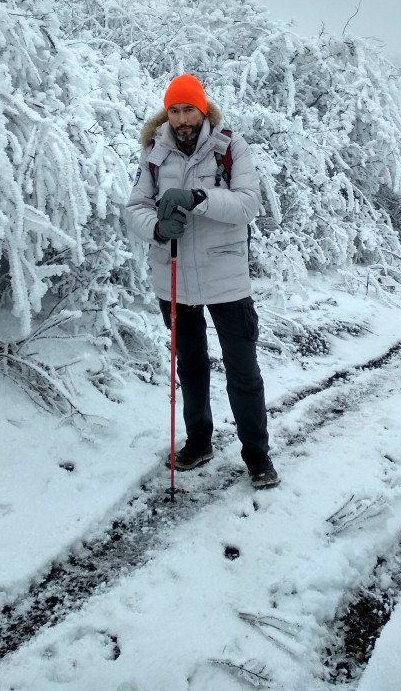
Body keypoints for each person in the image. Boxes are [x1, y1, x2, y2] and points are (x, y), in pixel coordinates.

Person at [125, 73, 279, 489]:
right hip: (173, 277)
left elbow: (248, 204)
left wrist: (198, 199)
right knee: (190, 368)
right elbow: (135, 206)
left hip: (226, 279)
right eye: (174, 110)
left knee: (242, 370)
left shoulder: (230, 148)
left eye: (188, 109)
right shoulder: (154, 154)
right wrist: (157, 228)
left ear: (203, 110)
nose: (181, 119)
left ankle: (257, 455)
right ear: (167, 113)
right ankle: (198, 441)